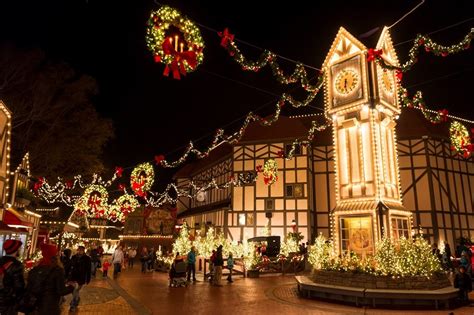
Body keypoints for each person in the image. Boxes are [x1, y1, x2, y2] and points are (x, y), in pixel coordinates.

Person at [27, 244, 75, 315]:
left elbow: (29, 287)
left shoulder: (35, 269)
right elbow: (61, 291)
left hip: (34, 306)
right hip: (50, 307)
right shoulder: (57, 270)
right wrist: (72, 286)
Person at [0, 239, 25, 315]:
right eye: (20, 248)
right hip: (8, 302)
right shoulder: (17, 265)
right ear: (16, 250)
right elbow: (19, 287)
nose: (21, 250)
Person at [69, 245, 91, 312]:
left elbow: (88, 269)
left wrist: (88, 279)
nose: (79, 251)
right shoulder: (73, 257)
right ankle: (77, 300)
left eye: (81, 250)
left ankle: (73, 305)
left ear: (83, 251)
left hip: (81, 277)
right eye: (79, 250)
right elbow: (70, 267)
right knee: (74, 291)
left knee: (75, 291)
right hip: (73, 277)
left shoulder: (87, 258)